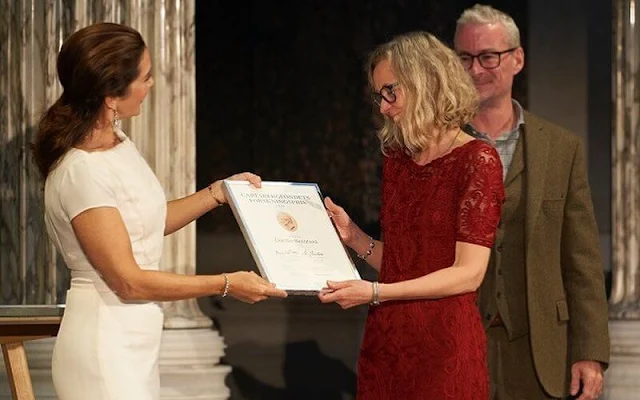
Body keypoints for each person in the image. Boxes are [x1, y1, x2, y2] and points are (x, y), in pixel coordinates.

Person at [31, 23, 287, 400]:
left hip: (133, 339)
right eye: (145, 77)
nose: (152, 85)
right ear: (111, 95)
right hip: (104, 344)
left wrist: (218, 194)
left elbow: (145, 225)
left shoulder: (118, 143)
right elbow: (129, 281)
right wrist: (226, 283)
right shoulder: (82, 171)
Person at [318, 31, 505, 399]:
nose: (384, 107)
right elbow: (404, 265)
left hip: (444, 347)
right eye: (379, 96)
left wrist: (375, 292)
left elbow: (468, 274)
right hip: (386, 342)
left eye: (392, 91)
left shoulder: (476, 161)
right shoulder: (398, 161)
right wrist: (354, 236)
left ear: (427, 81)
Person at [453, 4, 610, 400]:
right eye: (464, 58)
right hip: (458, 344)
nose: (475, 70)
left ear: (517, 59)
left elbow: (582, 261)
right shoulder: (437, 146)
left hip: (542, 352)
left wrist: (589, 353)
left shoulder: (561, 148)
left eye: (488, 56)